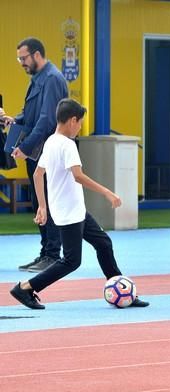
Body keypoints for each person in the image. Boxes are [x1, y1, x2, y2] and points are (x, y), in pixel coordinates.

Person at [9, 99, 149, 310]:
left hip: (71, 210)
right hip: (70, 212)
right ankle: (25, 287)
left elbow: (38, 174)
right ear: (73, 120)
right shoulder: (67, 144)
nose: (81, 127)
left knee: (103, 243)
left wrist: (42, 206)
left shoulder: (51, 141)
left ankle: (121, 289)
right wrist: (108, 192)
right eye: (80, 123)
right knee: (72, 261)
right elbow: (78, 176)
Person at [0, 38, 68, 273]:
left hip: (47, 152)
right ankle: (46, 253)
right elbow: (33, 114)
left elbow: (47, 120)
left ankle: (52, 254)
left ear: (37, 55)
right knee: (41, 203)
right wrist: (15, 120)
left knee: (48, 202)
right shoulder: (40, 79)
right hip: (38, 152)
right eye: (19, 58)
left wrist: (25, 147)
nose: (21, 63)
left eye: (23, 58)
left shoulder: (51, 79)